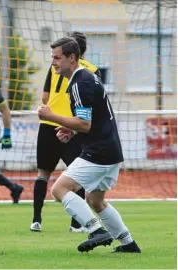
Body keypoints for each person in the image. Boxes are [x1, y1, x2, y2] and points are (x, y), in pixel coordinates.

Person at [37, 36, 141, 253]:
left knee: (59, 189)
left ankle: (95, 230)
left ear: (71, 58)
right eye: (52, 57)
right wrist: (71, 129)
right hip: (110, 149)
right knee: (96, 200)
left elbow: (85, 124)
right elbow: (89, 120)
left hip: (99, 150)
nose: (53, 62)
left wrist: (52, 116)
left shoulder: (79, 83)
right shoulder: (85, 78)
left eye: (57, 58)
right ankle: (128, 243)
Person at [31, 31, 101, 233]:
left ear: (70, 53)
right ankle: (76, 224)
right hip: (74, 126)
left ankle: (36, 220)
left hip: (48, 124)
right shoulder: (92, 71)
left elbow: (44, 97)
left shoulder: (54, 68)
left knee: (43, 174)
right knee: (77, 176)